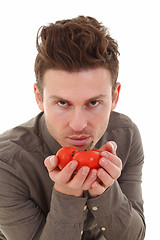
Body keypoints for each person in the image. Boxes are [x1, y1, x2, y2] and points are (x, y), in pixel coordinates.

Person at [0, 16, 145, 240]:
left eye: (93, 103)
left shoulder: (126, 135)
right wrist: (67, 195)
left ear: (115, 96)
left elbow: (134, 237)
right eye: (62, 103)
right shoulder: (6, 164)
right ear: (39, 97)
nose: (78, 125)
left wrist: (106, 191)